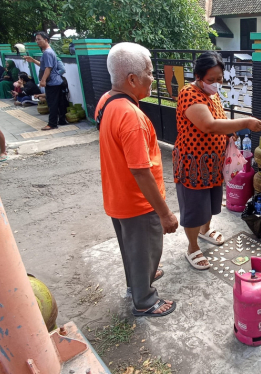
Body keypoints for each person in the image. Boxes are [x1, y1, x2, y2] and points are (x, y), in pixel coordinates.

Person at [96, 42, 178, 317]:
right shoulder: (131, 116)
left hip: (117, 197)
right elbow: (140, 170)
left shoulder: (107, 101)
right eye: (150, 73)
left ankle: (138, 281)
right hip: (137, 203)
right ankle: (145, 300)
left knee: (132, 248)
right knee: (145, 248)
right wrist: (164, 213)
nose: (153, 79)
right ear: (132, 79)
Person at [172, 51, 261, 270]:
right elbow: (208, 125)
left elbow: (220, 120)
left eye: (219, 79)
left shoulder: (212, 95)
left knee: (211, 203)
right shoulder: (189, 94)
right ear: (197, 76)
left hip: (214, 162)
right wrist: (246, 122)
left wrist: (229, 133)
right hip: (193, 164)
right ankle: (193, 247)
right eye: (211, 80)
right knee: (195, 207)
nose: (216, 84)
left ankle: (205, 231)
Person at [24, 31, 67, 130]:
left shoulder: (47, 52)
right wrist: (33, 60)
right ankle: (62, 121)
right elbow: (45, 66)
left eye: (39, 39)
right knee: (60, 102)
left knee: (52, 103)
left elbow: (48, 68)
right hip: (57, 81)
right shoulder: (49, 51)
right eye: (36, 40)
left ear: (46, 40)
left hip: (52, 82)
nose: (37, 41)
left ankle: (52, 124)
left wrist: (43, 80)